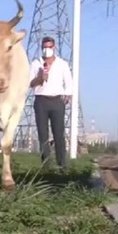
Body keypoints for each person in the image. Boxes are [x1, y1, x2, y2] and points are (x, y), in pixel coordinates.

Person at [29, 36, 73, 168]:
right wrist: (40, 78)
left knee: (59, 133)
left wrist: (68, 94)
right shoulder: (36, 63)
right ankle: (46, 164)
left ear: (54, 48)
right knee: (43, 134)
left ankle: (62, 164)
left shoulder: (62, 64)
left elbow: (69, 82)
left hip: (56, 101)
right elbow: (30, 83)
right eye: (44, 47)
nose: (46, 50)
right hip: (41, 100)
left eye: (49, 47)